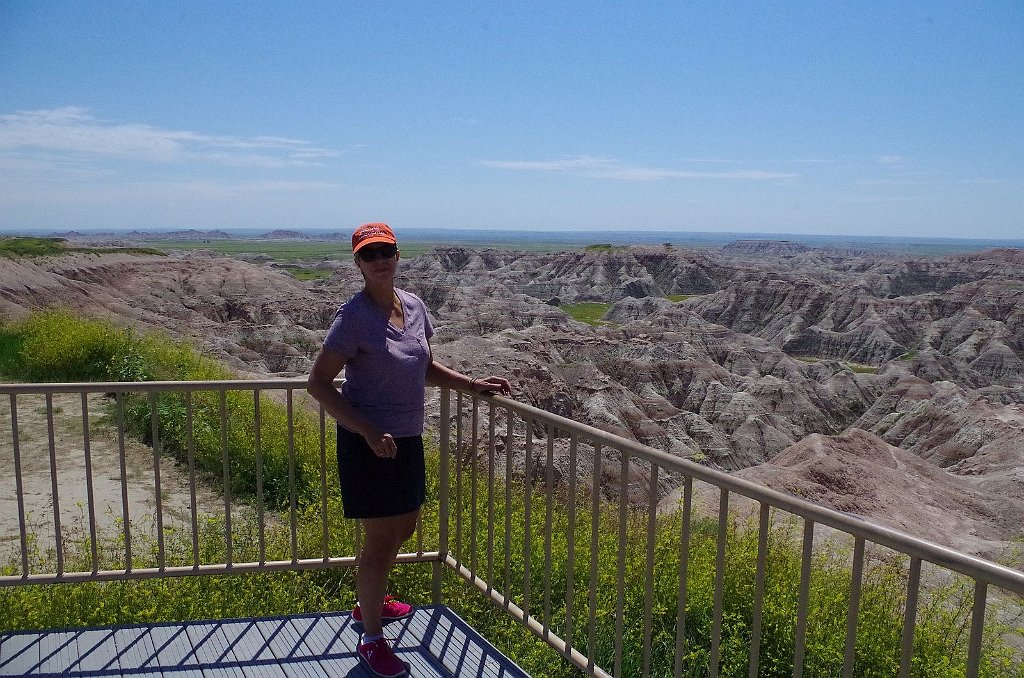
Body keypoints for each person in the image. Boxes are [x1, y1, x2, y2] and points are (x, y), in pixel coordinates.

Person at [307, 222, 511, 678]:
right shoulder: (353, 317)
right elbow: (317, 384)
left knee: (405, 530)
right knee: (380, 544)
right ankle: (371, 638)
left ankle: (369, 603)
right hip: (367, 444)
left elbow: (424, 365)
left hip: (406, 439)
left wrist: (472, 384)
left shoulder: (414, 306)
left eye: (387, 251)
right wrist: (366, 430)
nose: (380, 260)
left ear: (398, 256)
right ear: (357, 263)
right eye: (369, 253)